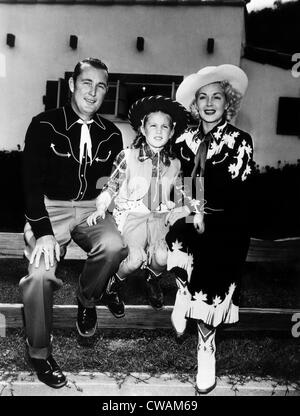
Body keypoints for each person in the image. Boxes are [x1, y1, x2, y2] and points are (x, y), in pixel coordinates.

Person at [20, 58, 128, 388]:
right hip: (49, 210)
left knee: (114, 245)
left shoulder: (111, 134)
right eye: (86, 83)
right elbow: (29, 183)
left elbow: (112, 184)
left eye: (100, 86)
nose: (93, 92)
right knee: (39, 275)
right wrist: (42, 232)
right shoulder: (43, 125)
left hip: (90, 209)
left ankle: (87, 299)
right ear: (71, 85)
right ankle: (38, 353)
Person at [166, 65, 254, 394]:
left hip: (227, 224)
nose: (209, 103)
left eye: (216, 96)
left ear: (227, 102)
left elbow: (232, 190)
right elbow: (176, 184)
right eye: (202, 97)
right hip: (191, 217)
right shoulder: (183, 140)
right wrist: (190, 205)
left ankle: (206, 349)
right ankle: (182, 289)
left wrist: (197, 203)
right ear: (194, 105)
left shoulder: (239, 141)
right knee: (170, 231)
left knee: (212, 279)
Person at [87, 95, 190, 310]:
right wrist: (100, 207)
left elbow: (185, 193)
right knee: (134, 260)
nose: (159, 131)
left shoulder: (176, 164)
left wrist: (186, 208)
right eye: (153, 125)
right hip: (132, 217)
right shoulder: (128, 156)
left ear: (172, 132)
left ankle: (152, 279)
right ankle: (113, 285)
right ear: (142, 129)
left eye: (165, 127)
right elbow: (110, 186)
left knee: (162, 258)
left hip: (158, 219)